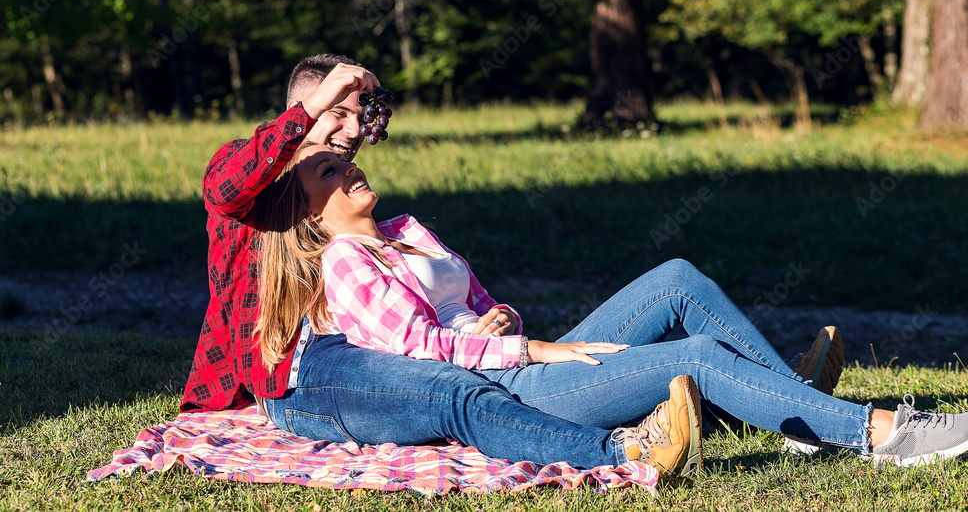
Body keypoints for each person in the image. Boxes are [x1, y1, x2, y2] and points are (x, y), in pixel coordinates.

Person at [253, 142, 968, 470]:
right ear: (310, 215)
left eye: (343, 160)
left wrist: (504, 318)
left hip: (518, 357)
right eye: (327, 171)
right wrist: (530, 348)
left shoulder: (406, 232)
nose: (348, 167)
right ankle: (881, 435)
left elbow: (474, 303)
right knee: (694, 356)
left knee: (676, 275)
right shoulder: (345, 261)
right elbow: (422, 349)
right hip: (508, 385)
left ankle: (798, 406)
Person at [181, 54, 704, 473]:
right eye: (336, 113)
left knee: (467, 380)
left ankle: (688, 398)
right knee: (450, 391)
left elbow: (399, 307)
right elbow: (225, 190)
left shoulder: (343, 187)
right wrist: (312, 106)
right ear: (304, 108)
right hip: (298, 369)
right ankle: (626, 450)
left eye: (358, 115)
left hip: (361, 347)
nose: (352, 129)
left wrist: (488, 321)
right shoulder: (259, 175)